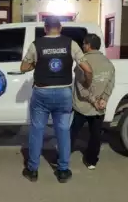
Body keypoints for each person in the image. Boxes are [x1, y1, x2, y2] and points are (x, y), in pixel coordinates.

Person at [20, 17, 93, 183]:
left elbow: (23, 67)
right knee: (63, 131)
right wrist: (87, 83)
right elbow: (87, 69)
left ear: (45, 28)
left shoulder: (36, 44)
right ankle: (63, 170)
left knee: (37, 130)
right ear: (60, 28)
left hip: (41, 93)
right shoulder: (71, 43)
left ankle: (32, 170)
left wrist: (35, 65)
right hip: (64, 94)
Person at [70, 33, 115, 170]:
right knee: (95, 135)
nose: (83, 46)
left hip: (82, 107)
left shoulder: (82, 63)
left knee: (73, 133)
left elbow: (81, 87)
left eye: (84, 43)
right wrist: (104, 100)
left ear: (88, 45)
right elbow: (110, 84)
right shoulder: (108, 63)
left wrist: (93, 100)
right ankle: (92, 161)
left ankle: (64, 155)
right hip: (99, 108)